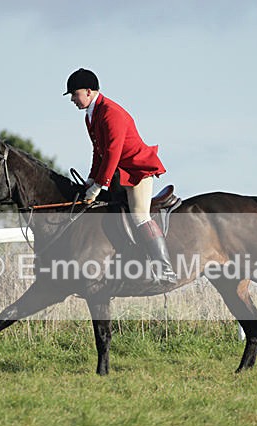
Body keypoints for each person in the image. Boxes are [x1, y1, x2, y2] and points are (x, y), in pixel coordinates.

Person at [64, 68, 177, 286]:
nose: (72, 99)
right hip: (117, 173)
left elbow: (113, 153)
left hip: (136, 171)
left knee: (139, 216)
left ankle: (166, 270)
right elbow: (99, 153)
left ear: (88, 91)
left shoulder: (110, 113)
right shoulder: (91, 116)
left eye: (74, 94)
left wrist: (98, 185)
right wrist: (90, 180)